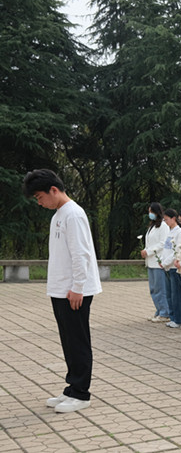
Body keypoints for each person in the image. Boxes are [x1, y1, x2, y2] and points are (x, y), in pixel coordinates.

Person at [24, 169, 102, 413]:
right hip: (61, 290)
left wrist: (78, 287)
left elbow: (81, 253)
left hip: (74, 291)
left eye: (40, 197)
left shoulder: (73, 214)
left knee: (77, 341)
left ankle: (81, 393)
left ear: (54, 190)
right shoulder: (59, 214)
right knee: (68, 340)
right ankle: (72, 387)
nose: (39, 203)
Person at [141, 202, 170, 322]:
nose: (150, 214)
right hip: (150, 262)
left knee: (160, 288)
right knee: (153, 288)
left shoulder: (163, 226)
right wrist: (145, 251)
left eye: (151, 211)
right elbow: (150, 242)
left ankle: (165, 312)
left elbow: (163, 243)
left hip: (158, 261)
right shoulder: (152, 226)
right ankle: (158, 310)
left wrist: (149, 251)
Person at [161, 208, 181, 328]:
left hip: (173, 266)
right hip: (167, 266)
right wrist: (162, 261)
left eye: (167, 219)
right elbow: (166, 249)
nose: (166, 222)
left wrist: (166, 262)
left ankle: (180, 318)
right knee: (170, 294)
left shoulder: (179, 232)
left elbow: (176, 251)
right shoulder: (169, 232)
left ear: (173, 218)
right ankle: (173, 317)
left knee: (177, 294)